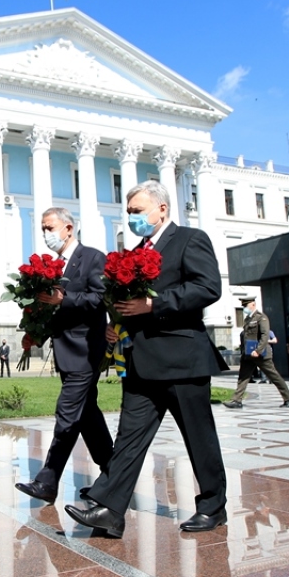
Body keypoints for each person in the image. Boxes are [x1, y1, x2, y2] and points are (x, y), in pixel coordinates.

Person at [65, 180, 227, 538]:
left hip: (182, 358)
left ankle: (214, 507)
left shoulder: (190, 239)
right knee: (129, 437)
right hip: (140, 360)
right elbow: (128, 300)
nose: (132, 217)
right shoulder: (135, 251)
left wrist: (155, 304)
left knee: (198, 437)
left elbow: (207, 287)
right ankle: (109, 508)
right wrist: (117, 325)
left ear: (162, 209)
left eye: (138, 210)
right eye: (130, 212)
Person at [15, 208, 113, 503]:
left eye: (50, 227)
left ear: (68, 228)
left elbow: (100, 298)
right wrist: (36, 328)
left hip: (85, 350)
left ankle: (48, 480)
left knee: (67, 411)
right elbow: (53, 309)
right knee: (87, 415)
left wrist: (64, 298)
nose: (46, 233)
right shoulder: (54, 265)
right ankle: (113, 474)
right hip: (65, 350)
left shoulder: (93, 257)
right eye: (43, 228)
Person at [223, 296, 289, 409]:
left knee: (274, 376)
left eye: (246, 306)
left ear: (253, 305)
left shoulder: (261, 318)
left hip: (260, 354)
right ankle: (236, 400)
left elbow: (265, 336)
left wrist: (258, 350)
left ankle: (288, 397)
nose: (244, 308)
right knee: (243, 377)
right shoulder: (248, 319)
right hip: (248, 354)